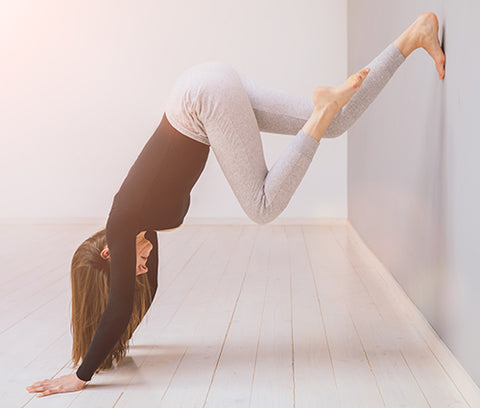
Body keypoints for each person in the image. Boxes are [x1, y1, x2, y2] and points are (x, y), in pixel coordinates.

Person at [26, 11, 445, 398]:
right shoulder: (138, 226)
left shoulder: (122, 221)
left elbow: (117, 303)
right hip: (206, 84)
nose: (141, 269)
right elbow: (136, 300)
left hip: (202, 101)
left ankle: (320, 113)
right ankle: (413, 37)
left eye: (129, 267)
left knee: (262, 206)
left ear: (108, 252)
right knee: (338, 122)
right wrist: (116, 341)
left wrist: (80, 376)